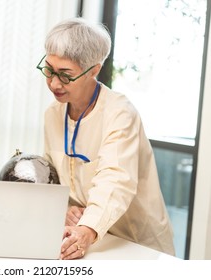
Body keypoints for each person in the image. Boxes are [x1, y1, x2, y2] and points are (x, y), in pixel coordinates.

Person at [37, 17, 175, 260]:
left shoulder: (119, 112)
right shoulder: (53, 114)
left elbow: (116, 180)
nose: (54, 83)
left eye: (65, 75)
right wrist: (67, 208)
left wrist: (87, 230)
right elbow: (55, 177)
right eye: (49, 70)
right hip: (86, 240)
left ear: (95, 70)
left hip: (135, 243)